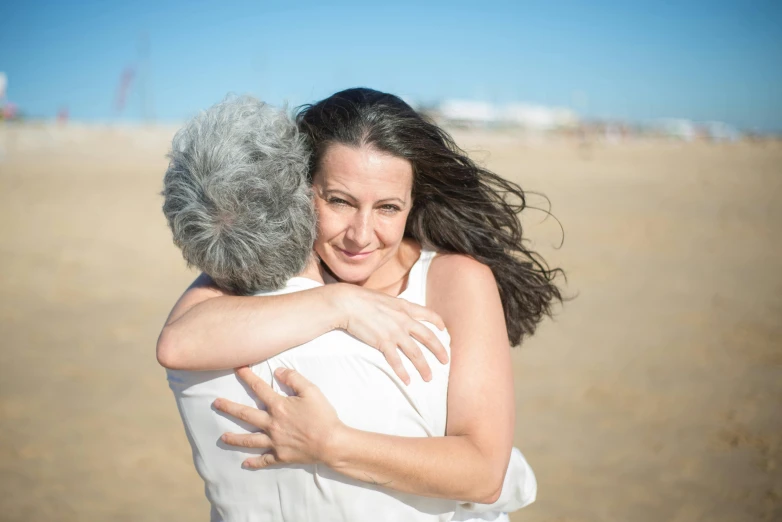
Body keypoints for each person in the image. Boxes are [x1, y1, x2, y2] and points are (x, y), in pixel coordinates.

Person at [158, 88, 562, 511]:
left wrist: (333, 444)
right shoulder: (272, 263)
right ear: (300, 188)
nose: (361, 235)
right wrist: (341, 305)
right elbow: (178, 343)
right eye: (339, 201)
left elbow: (483, 472)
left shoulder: (454, 279)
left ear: (412, 204)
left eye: (388, 207)